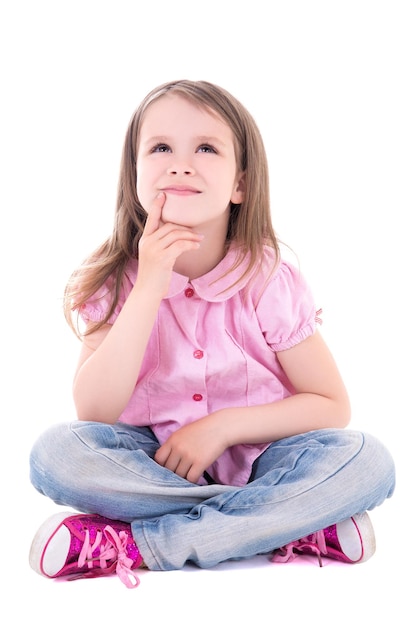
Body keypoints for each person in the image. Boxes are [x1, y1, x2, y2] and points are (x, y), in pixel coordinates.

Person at [29, 79, 395, 589]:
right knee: (56, 455)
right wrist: (151, 283)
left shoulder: (268, 279)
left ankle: (141, 543)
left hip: (267, 463)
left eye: (205, 147)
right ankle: (289, 524)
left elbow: (330, 404)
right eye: (160, 148)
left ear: (240, 184)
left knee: (366, 461)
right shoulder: (115, 278)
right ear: (134, 176)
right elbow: (94, 412)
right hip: (152, 465)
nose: (180, 163)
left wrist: (222, 426)